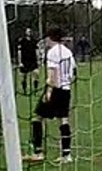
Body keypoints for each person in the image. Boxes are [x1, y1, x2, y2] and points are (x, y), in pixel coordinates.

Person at [28, 27, 77, 164]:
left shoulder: (53, 53)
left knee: (37, 118)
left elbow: (53, 74)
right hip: (66, 89)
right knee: (64, 120)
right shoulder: (68, 52)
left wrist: (49, 91)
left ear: (50, 38)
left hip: (55, 89)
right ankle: (67, 155)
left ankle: (38, 152)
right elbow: (73, 71)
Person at [16, 28, 39, 93]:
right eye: (28, 31)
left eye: (30, 31)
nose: (29, 32)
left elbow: (37, 50)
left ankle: (35, 90)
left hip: (33, 61)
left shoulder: (34, 41)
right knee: (24, 77)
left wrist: (38, 59)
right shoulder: (22, 41)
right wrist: (20, 62)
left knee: (36, 74)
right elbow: (19, 52)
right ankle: (24, 90)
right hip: (24, 61)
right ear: (25, 32)